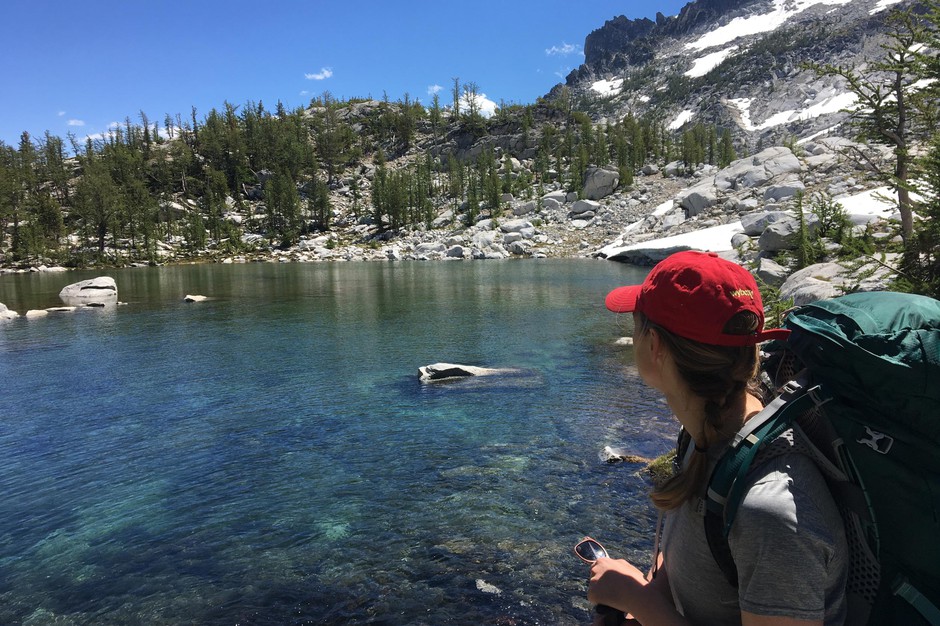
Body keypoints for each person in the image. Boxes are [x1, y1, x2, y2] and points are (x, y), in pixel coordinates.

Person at [589, 250, 848, 626]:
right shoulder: (702, 435)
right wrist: (652, 594)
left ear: (655, 346)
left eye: (636, 323)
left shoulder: (770, 510)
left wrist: (638, 600)